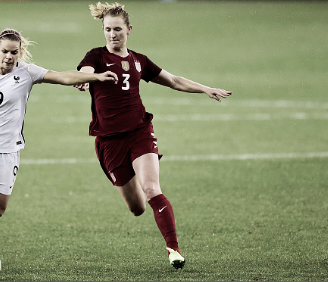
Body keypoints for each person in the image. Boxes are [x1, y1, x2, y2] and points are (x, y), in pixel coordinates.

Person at [0, 28, 118, 272]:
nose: (9, 57)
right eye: (4, 51)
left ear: (19, 52)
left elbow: (62, 76)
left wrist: (95, 77)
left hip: (7, 150)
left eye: (14, 52)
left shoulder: (27, 73)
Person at [75, 2, 232, 269]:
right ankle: (135, 174)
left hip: (140, 132)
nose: (113, 35)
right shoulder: (97, 57)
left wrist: (204, 88)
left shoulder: (140, 61)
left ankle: (174, 249)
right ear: (103, 30)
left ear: (129, 30)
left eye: (118, 30)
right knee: (137, 208)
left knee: (151, 188)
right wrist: (86, 77)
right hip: (109, 143)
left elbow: (173, 80)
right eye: (108, 30)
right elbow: (85, 71)